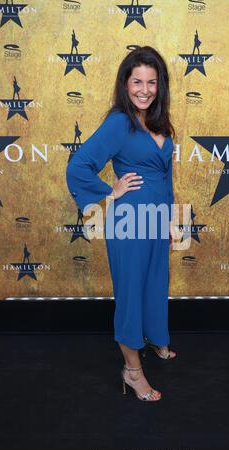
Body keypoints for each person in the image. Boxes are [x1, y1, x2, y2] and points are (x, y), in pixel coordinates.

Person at [66, 46, 177, 402]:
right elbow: (78, 166)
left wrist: (173, 220)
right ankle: (131, 371)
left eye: (151, 82)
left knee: (155, 284)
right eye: (136, 82)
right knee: (131, 294)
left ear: (160, 86)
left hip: (158, 220)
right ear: (125, 84)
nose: (144, 90)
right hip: (129, 221)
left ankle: (156, 337)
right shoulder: (119, 122)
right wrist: (108, 190)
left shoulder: (159, 121)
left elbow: (167, 174)